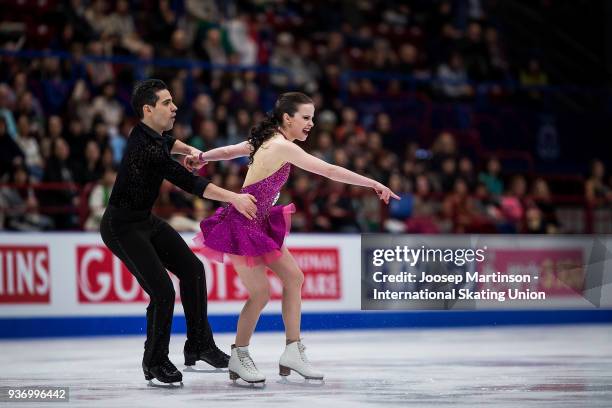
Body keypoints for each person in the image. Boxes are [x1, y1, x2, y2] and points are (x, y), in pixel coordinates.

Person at [190, 92, 399, 384]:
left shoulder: (267, 141)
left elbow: (229, 151)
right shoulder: (280, 146)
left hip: (259, 222)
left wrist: (201, 157)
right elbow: (328, 170)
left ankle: (292, 350)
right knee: (261, 293)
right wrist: (373, 183)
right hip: (242, 225)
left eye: (312, 118)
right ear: (287, 118)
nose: (311, 124)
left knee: (294, 278)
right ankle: (239, 355)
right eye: (306, 117)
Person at [99, 79, 258, 385]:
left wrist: (194, 151)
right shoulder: (147, 148)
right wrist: (235, 198)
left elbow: (169, 142)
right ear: (148, 109)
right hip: (120, 227)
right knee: (162, 291)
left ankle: (199, 344)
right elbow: (191, 184)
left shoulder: (148, 134)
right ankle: (154, 360)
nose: (174, 108)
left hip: (144, 220)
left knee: (193, 270)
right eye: (166, 103)